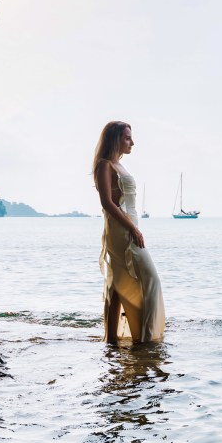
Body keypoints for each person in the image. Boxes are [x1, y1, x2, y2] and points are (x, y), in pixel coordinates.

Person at [93, 121, 165, 344]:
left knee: (117, 284)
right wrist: (132, 227)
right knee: (151, 280)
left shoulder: (118, 165)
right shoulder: (105, 165)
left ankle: (112, 340)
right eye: (127, 138)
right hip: (122, 230)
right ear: (115, 139)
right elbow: (107, 203)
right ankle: (147, 339)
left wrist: (134, 226)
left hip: (130, 227)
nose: (132, 142)